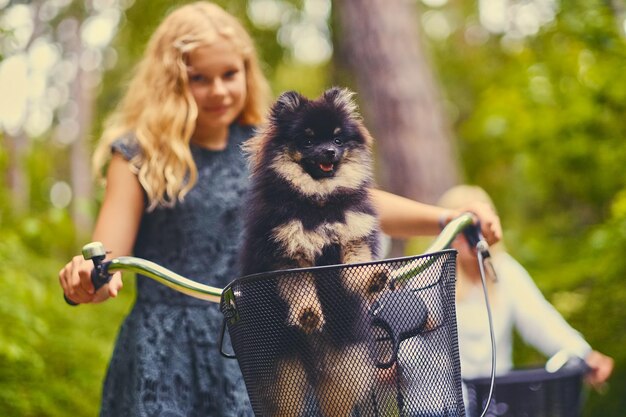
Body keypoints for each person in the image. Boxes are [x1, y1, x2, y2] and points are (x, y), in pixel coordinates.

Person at [58, 3, 501, 416]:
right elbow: (108, 259)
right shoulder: (139, 153)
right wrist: (89, 278)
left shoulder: (272, 144)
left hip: (263, 331)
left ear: (246, 71)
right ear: (171, 82)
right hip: (165, 344)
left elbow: (351, 204)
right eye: (199, 78)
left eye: (229, 73)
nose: (218, 89)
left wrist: (445, 217)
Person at [437, 185, 613, 391]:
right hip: (440, 404)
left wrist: (583, 353)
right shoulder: (432, 278)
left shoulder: (504, 270)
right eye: (464, 228)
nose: (471, 237)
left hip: (494, 402)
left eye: (476, 227)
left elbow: (540, 319)